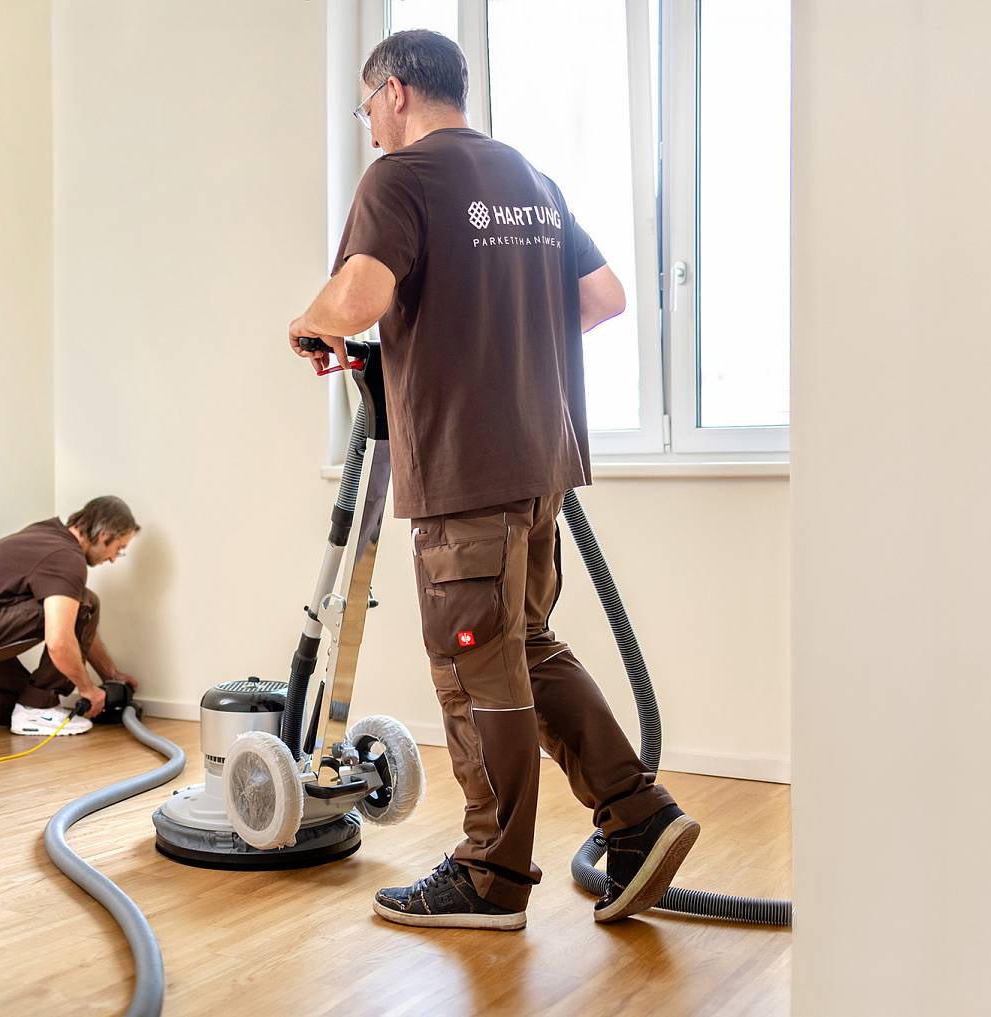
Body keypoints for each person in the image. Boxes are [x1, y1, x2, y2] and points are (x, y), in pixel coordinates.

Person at [287, 30, 699, 931]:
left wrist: (308, 320)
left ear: (393, 93)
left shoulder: (402, 178)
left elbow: (359, 299)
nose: (371, 131)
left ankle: (491, 872)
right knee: (526, 645)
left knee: (474, 667)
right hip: (541, 461)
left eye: (368, 111)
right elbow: (603, 298)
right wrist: (503, 345)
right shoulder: (531, 182)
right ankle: (637, 816)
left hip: (467, 470)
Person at [0, 496, 141, 738]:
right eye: (118, 549)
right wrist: (87, 689)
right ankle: (38, 708)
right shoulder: (67, 557)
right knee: (85, 603)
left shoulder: (47, 534)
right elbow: (60, 640)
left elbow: (77, 625)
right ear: (103, 535)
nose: (112, 558)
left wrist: (110, 674)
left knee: (24, 700)